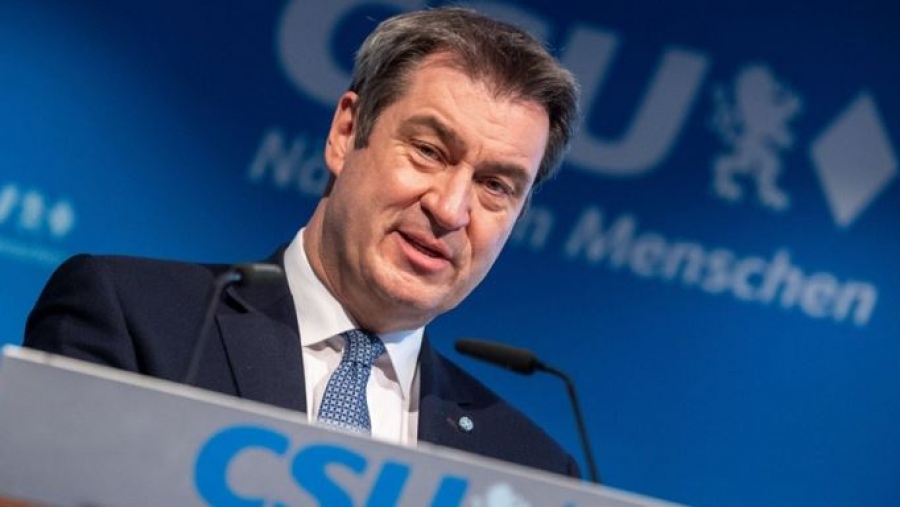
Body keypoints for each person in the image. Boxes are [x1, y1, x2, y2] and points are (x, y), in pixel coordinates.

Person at [24, 7, 581, 478]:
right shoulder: (136, 318)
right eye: (429, 152)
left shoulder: (529, 471)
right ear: (346, 133)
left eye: (495, 186)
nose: (450, 209)